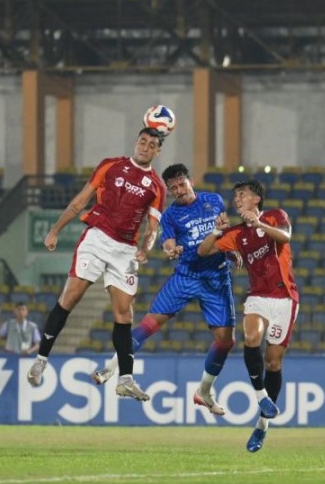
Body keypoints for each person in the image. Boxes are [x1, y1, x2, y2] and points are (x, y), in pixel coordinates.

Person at [26, 126, 167, 401]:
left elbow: (152, 229)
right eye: (143, 141)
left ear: (158, 151)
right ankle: (41, 359)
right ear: (136, 142)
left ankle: (125, 379)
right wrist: (55, 229)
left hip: (125, 249)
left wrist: (145, 249)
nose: (146, 147)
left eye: (152, 145)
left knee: (124, 314)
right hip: (96, 238)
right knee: (69, 298)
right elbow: (80, 201)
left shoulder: (157, 187)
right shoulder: (110, 165)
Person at [92, 163, 238, 415]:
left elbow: (223, 235)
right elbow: (168, 242)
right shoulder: (170, 215)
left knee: (226, 341)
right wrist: (171, 249)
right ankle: (112, 366)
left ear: (191, 181)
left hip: (216, 278)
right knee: (149, 323)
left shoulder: (213, 200)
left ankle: (204, 391)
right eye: (173, 188)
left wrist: (232, 250)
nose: (179, 191)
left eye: (182, 184)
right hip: (186, 275)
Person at [197, 179, 298, 453]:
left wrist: (259, 224)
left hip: (284, 298)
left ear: (256, 199)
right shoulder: (238, 233)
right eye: (235, 196)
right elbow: (203, 251)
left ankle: (262, 426)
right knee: (251, 337)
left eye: (242, 195)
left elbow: (286, 237)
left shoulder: (276, 216)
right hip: (258, 297)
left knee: (273, 363)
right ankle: (261, 396)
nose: (237, 199)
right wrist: (216, 232)